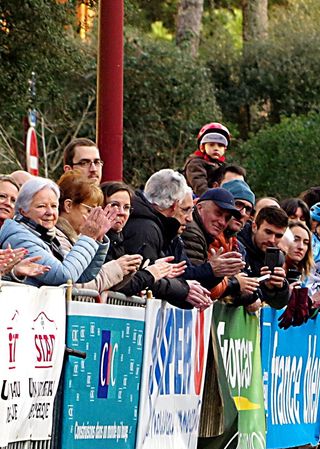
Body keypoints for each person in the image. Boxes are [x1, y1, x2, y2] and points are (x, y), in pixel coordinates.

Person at [117, 169, 211, 309]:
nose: (190, 218)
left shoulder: (162, 229)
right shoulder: (146, 229)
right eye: (185, 210)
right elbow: (142, 281)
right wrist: (183, 289)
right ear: (174, 205)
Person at [0, 177, 112, 286]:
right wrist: (88, 237)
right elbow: (64, 276)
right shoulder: (18, 238)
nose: (50, 212)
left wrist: (97, 239)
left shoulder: (46, 235)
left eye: (54, 206)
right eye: (41, 206)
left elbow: (82, 275)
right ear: (23, 211)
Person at [235, 205, 292, 310]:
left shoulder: (277, 256)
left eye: (278, 236)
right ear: (254, 227)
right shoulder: (236, 244)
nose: (272, 240)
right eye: (268, 232)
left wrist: (278, 287)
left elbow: (278, 304)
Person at [183, 122, 232, 195]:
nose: (216, 148)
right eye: (211, 145)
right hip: (198, 199)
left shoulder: (223, 166)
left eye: (220, 145)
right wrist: (212, 196)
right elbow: (200, 186)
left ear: (224, 149)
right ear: (202, 147)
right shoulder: (195, 164)